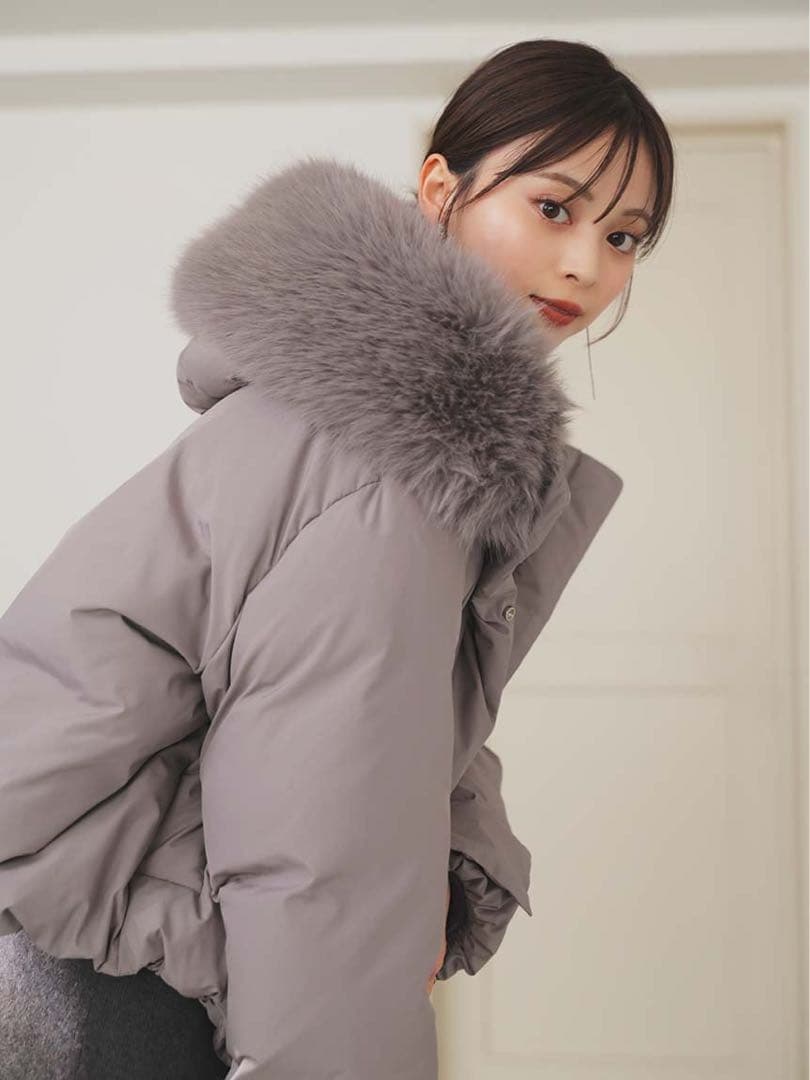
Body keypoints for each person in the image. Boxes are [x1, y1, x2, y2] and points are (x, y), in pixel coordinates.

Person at [0, 37, 674, 1080]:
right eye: (555, 208)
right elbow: (323, 844)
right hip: (100, 984)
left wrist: (443, 865)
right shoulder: (390, 462)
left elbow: (393, 723)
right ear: (441, 190)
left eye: (624, 235)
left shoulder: (360, 427)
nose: (588, 265)